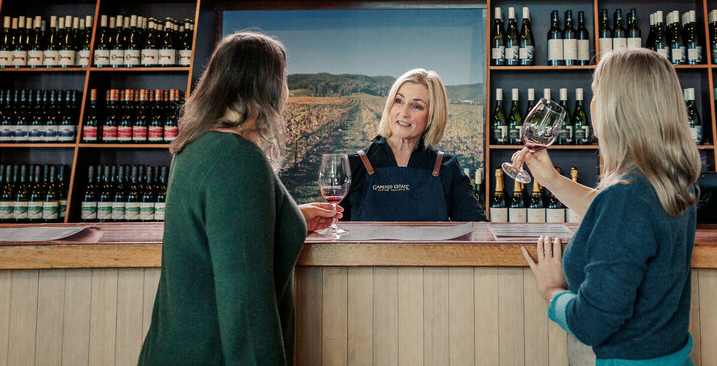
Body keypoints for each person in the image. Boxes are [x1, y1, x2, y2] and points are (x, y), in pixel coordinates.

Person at [138, 32, 340, 366]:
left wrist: (290, 217)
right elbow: (246, 307)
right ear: (267, 88)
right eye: (284, 80)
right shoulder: (238, 159)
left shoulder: (195, 147)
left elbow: (220, 235)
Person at [516, 48, 700, 365]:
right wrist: (551, 180)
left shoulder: (627, 198)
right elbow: (620, 218)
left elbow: (591, 324)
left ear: (617, 109)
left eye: (596, 93)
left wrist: (551, 291)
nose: (591, 104)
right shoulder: (671, 182)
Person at [340, 68, 485, 222]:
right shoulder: (353, 165)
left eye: (417, 106)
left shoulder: (446, 167)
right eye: (399, 101)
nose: (404, 112)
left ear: (432, 116)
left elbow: (478, 229)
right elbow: (333, 237)